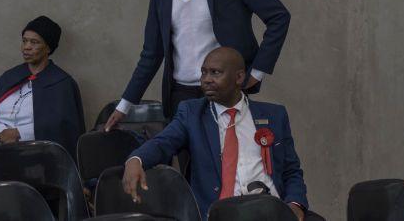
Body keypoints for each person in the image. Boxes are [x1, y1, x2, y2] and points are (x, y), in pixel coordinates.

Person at [106, 0, 291, 129]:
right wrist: (125, 106)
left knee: (224, 160)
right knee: (186, 162)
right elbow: (151, 53)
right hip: (180, 97)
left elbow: (279, 16)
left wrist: (257, 72)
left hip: (223, 91)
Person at [122, 47, 308, 219]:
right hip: (220, 213)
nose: (206, 79)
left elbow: (291, 170)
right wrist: (136, 159)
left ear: (239, 77)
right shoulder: (192, 114)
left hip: (270, 210)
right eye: (204, 72)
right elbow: (162, 143)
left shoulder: (274, 115)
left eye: (215, 72)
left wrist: (294, 204)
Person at [0, 16, 85, 158]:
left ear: (48, 48)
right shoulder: (9, 77)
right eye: (24, 41)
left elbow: (62, 128)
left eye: (34, 42)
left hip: (36, 155)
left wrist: (19, 134)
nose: (26, 47)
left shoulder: (62, 83)